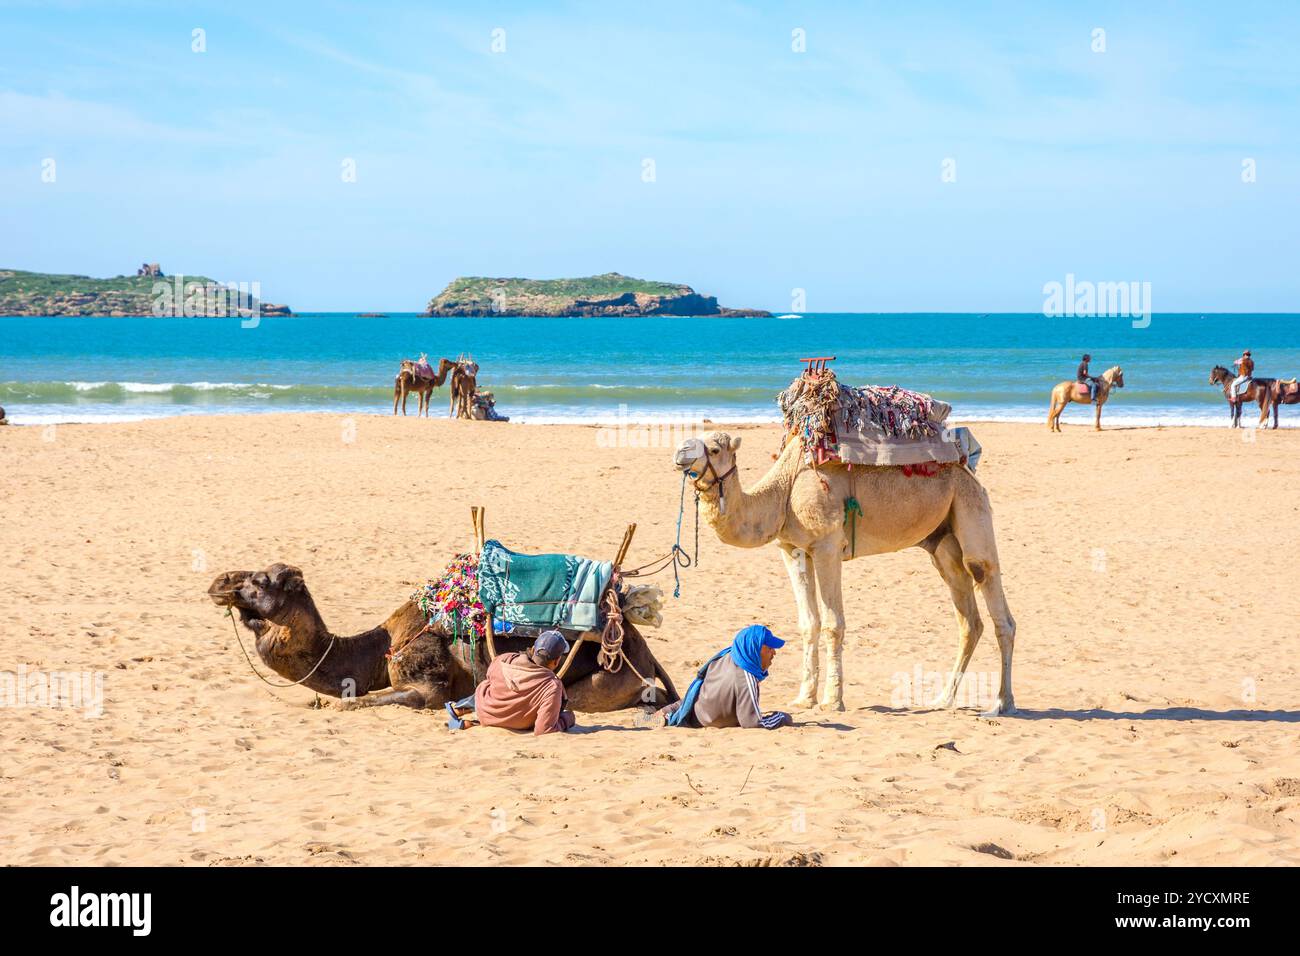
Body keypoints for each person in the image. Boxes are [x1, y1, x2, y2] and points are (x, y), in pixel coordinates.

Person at [656, 624, 792, 729]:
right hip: (701, 719)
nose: (774, 653)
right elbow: (752, 723)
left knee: (683, 705)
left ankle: (663, 713)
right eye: (769, 648)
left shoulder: (728, 655)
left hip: (694, 705)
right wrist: (782, 718)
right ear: (755, 650)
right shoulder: (746, 678)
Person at [445, 630, 576, 735]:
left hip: (485, 711)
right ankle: (470, 723)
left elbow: (490, 676)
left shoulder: (505, 659)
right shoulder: (552, 686)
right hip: (515, 723)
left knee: (487, 686)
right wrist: (567, 719)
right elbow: (544, 730)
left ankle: (461, 708)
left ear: (533, 649)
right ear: (557, 661)